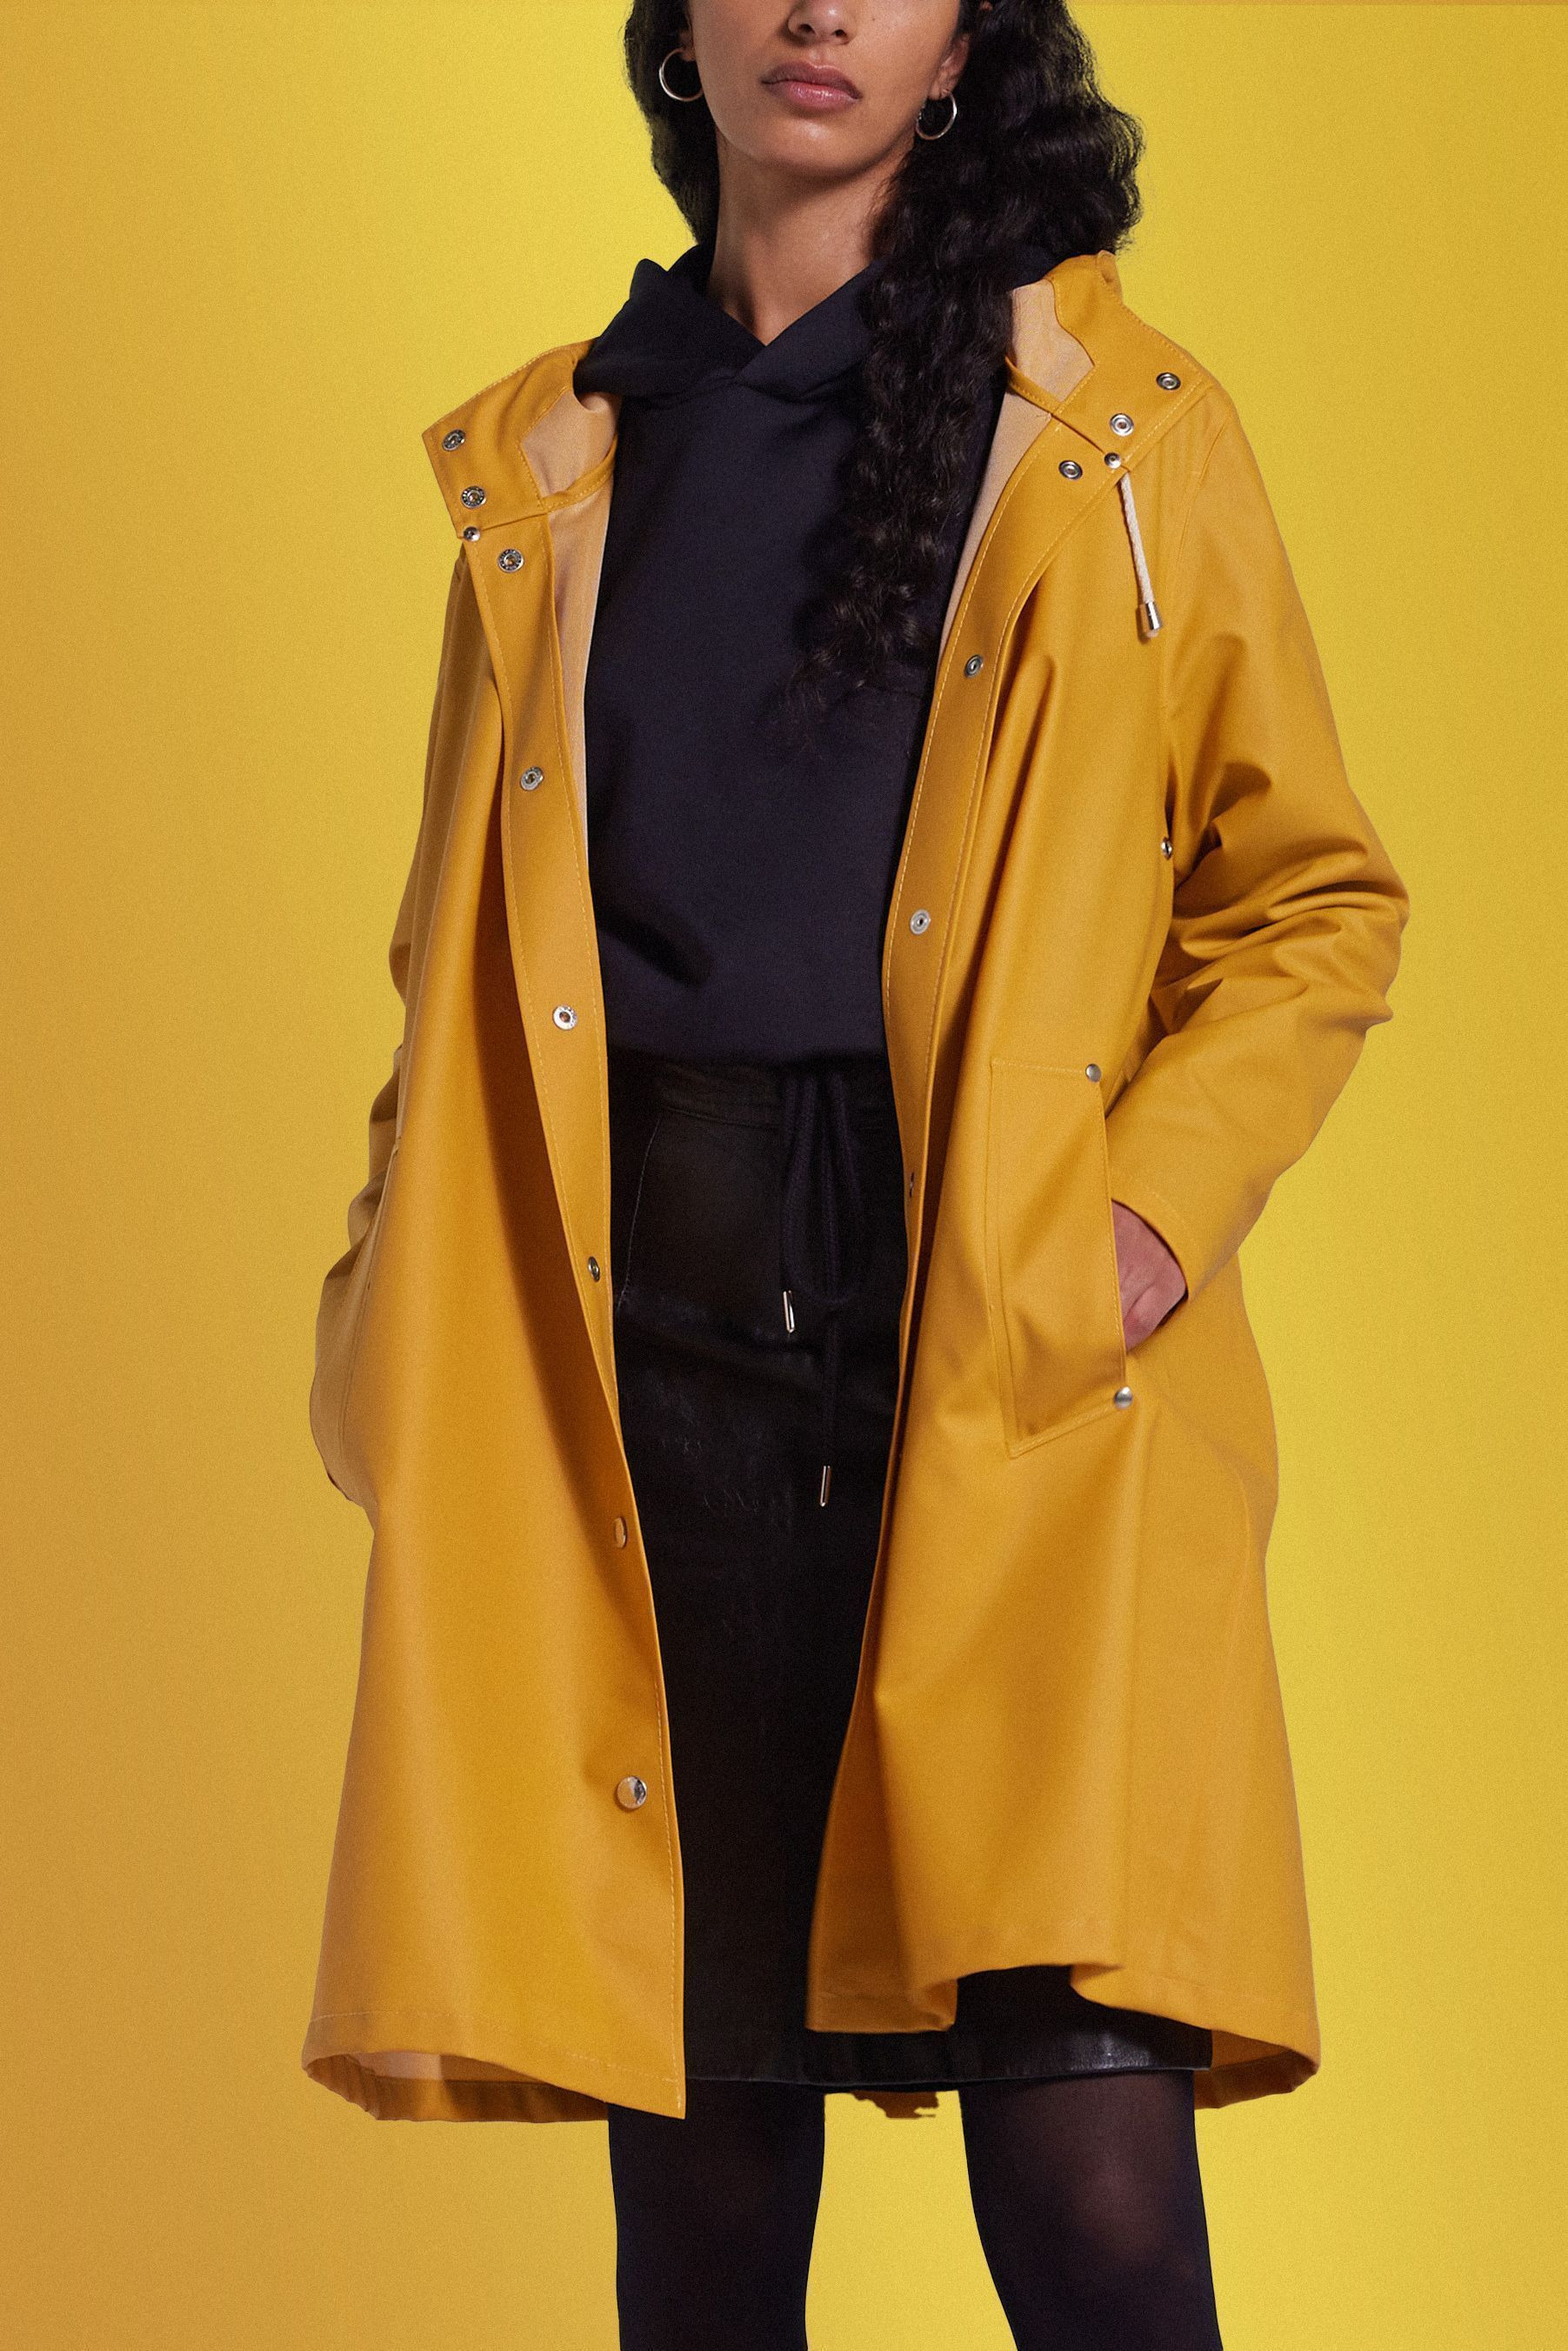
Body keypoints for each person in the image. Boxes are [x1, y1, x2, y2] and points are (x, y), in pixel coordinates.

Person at [302, 3, 1410, 2347]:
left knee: (1092, 2184)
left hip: (1001, 1360)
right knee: (705, 2207)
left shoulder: (1116, 436)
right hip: (640, 1372)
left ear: (964, 43)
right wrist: (387, 1305)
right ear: (678, 28)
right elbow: (459, 964)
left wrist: (1138, 1224)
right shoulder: (554, 458)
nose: (820, 10)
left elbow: (1310, 897)